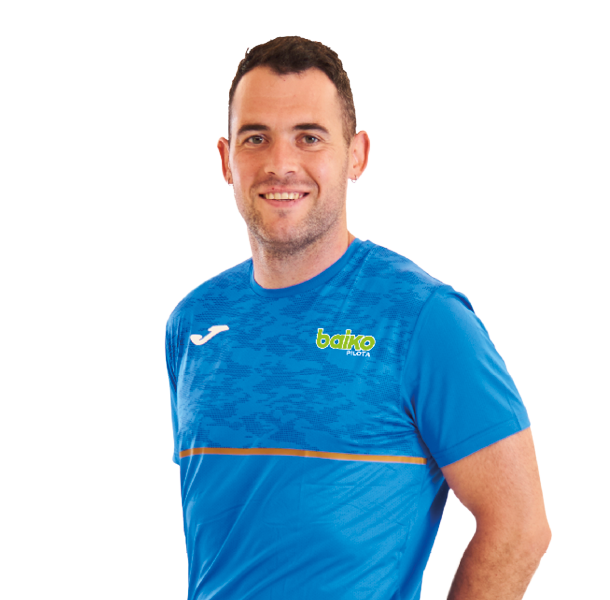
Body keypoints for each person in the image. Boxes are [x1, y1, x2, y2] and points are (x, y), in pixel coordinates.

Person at [165, 35, 551, 600]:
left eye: (309, 137)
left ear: (357, 155)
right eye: (256, 138)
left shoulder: (425, 321)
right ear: (226, 160)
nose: (280, 164)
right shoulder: (194, 322)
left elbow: (520, 528)